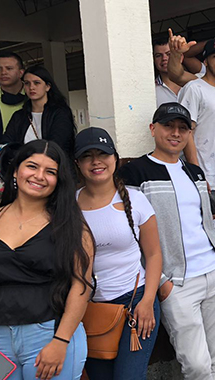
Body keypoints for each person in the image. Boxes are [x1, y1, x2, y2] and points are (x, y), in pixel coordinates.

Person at [0, 140, 93, 380]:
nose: (39, 176)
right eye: (32, 166)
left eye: (50, 171)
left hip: (49, 335)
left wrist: (61, 341)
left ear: (58, 180)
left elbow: (81, 286)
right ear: (15, 170)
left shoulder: (72, 226)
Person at [118, 103, 215, 377]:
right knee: (196, 364)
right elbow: (131, 232)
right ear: (153, 129)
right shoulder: (136, 173)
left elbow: (204, 222)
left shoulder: (194, 172)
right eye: (169, 126)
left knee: (213, 358)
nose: (176, 133)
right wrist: (162, 281)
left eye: (183, 128)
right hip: (177, 283)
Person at [73, 128, 163, 379]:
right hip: (91, 309)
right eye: (87, 156)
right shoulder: (68, 205)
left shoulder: (137, 200)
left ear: (115, 158)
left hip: (136, 302)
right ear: (77, 163)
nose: (96, 161)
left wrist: (147, 302)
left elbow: (154, 254)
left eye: (103, 153)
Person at [176, 37, 215, 215]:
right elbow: (186, 132)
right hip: (208, 179)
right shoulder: (194, 88)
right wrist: (197, 174)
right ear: (205, 61)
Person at [2, 66, 76, 157]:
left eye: (36, 83)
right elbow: (6, 145)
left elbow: (58, 145)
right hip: (23, 167)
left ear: (47, 87)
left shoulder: (60, 113)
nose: (31, 87)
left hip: (54, 167)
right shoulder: (19, 116)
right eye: (27, 83)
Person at [153, 38, 181, 106]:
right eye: (158, 56)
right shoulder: (152, 90)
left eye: (168, 54)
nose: (164, 58)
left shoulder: (193, 81)